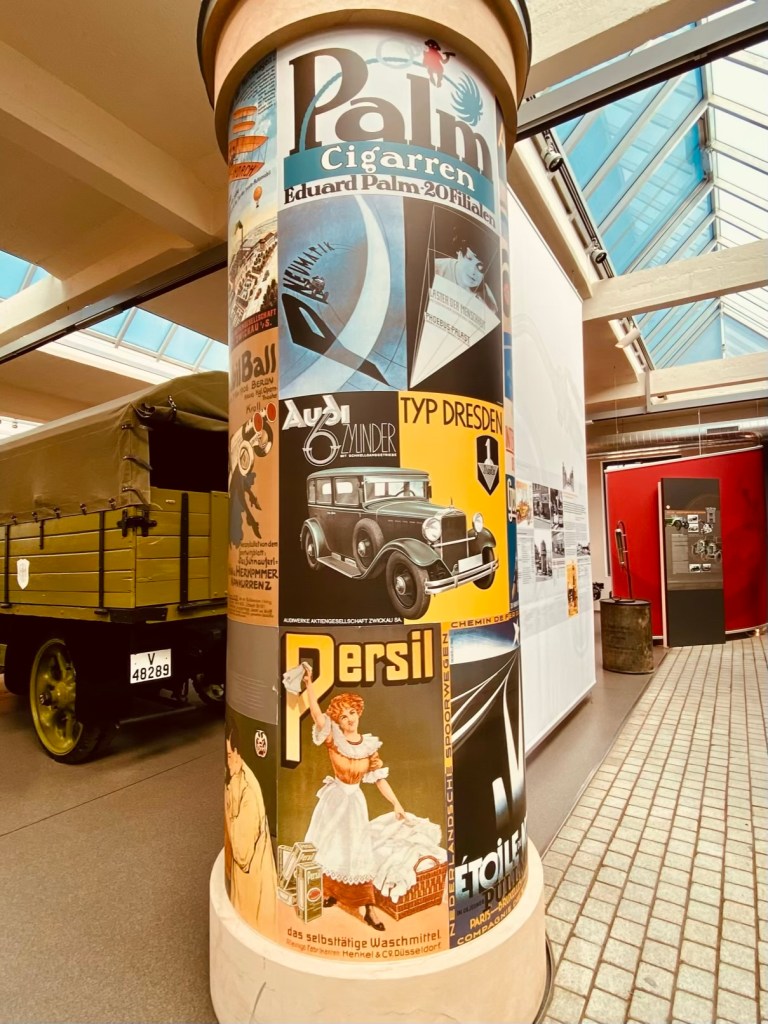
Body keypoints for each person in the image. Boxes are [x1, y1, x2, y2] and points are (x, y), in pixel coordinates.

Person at [302, 665, 406, 930]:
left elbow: (379, 778)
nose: (349, 719)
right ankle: (329, 893)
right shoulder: (333, 737)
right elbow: (316, 714)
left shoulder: (369, 746)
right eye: (343, 715)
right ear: (337, 721)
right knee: (329, 845)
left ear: (359, 713)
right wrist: (309, 684)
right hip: (334, 799)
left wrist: (396, 803)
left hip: (354, 802)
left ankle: (368, 909)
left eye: (351, 712)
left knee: (358, 851)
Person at [225, 722, 278, 936]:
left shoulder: (248, 793)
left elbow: (242, 853)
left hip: (253, 890)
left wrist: (229, 817)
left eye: (230, 756)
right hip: (251, 885)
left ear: (239, 753)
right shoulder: (239, 781)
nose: (228, 761)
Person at [434, 233, 499, 315]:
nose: (473, 271)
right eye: (469, 258)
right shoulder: (435, 269)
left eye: (480, 267)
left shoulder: (484, 294)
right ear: (459, 254)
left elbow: (492, 312)